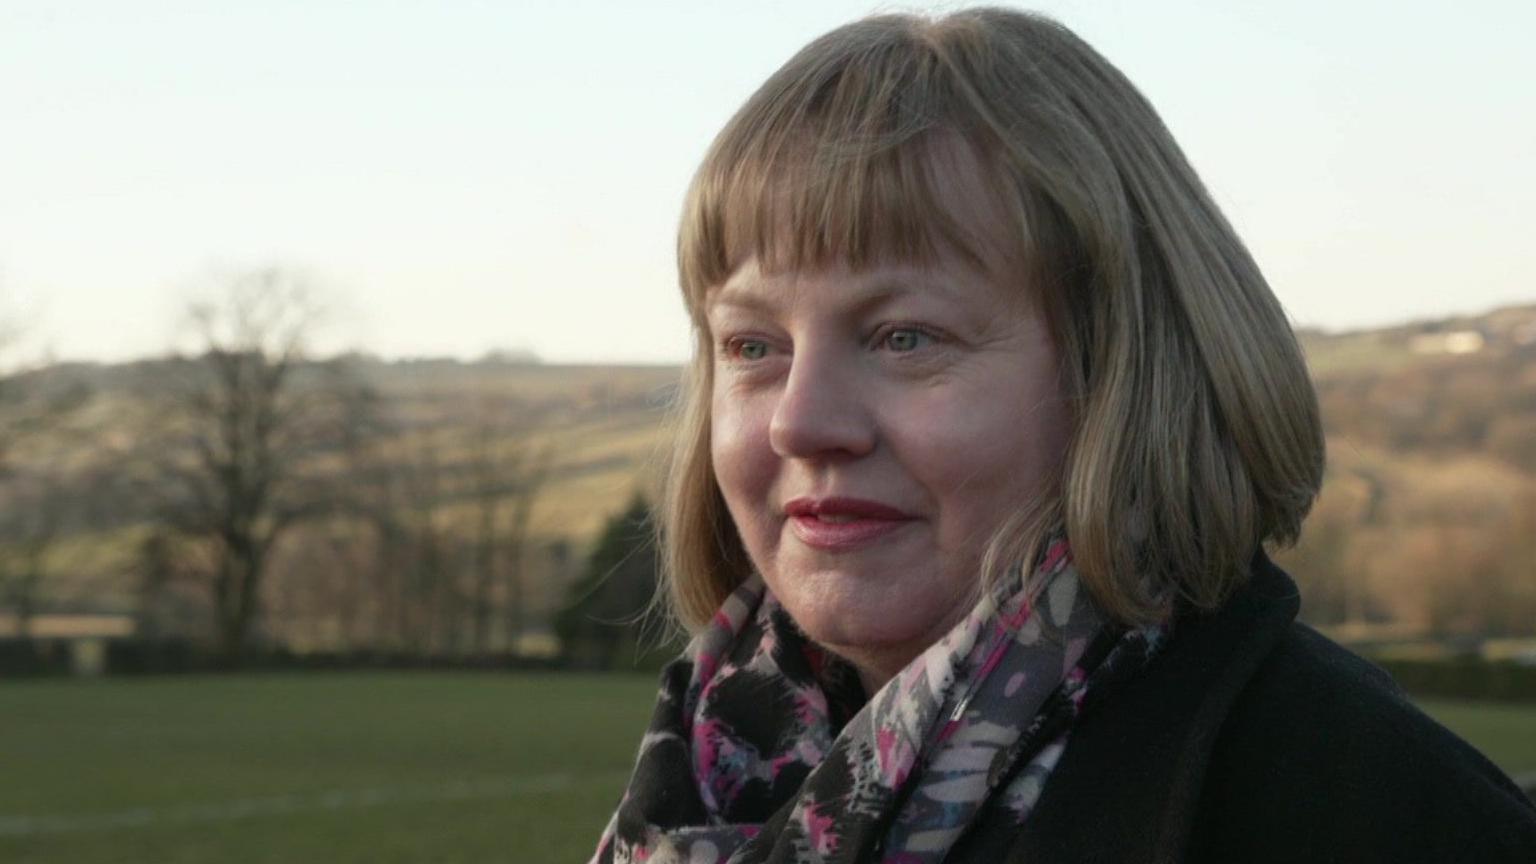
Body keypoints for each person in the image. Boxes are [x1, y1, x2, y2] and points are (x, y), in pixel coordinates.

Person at [591, 8, 1536, 863]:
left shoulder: (1380, 817)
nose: (803, 419)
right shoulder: (702, 781)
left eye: (904, 337)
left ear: (1121, 367)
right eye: (754, 345)